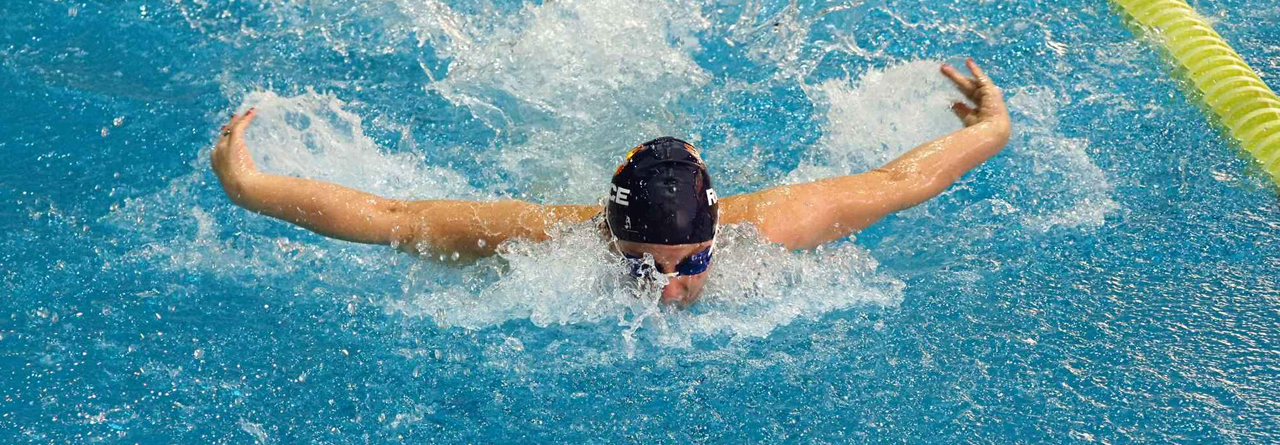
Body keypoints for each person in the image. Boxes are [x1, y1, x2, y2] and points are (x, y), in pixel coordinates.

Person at [211, 59, 1011, 306]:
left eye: (689, 263)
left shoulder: (768, 225)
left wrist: (990, 128)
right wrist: (250, 187)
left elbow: (900, 180)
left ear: (716, 229)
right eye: (639, 264)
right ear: (606, 231)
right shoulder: (543, 237)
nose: (664, 289)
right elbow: (390, 215)